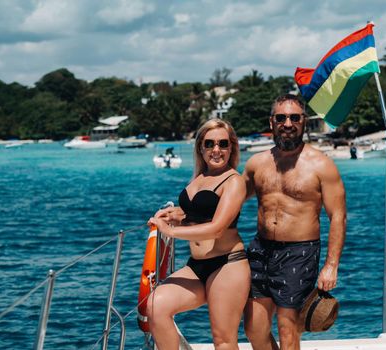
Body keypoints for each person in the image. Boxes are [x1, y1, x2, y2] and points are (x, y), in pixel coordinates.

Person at [243, 94, 346, 350]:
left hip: (299, 252)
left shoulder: (322, 165)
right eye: (281, 117)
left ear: (303, 122)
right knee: (254, 330)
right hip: (260, 250)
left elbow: (338, 217)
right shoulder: (256, 163)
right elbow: (230, 201)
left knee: (288, 332)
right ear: (272, 122)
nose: (287, 123)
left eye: (294, 118)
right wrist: (186, 211)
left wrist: (331, 265)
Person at [146, 119, 251, 350]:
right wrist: (176, 214)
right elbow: (199, 211)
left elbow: (217, 227)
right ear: (200, 147)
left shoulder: (233, 181)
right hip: (197, 266)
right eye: (210, 144)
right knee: (156, 306)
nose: (216, 150)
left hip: (227, 266)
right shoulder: (199, 177)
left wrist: (170, 231)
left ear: (231, 147)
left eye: (223, 144)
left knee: (223, 341)